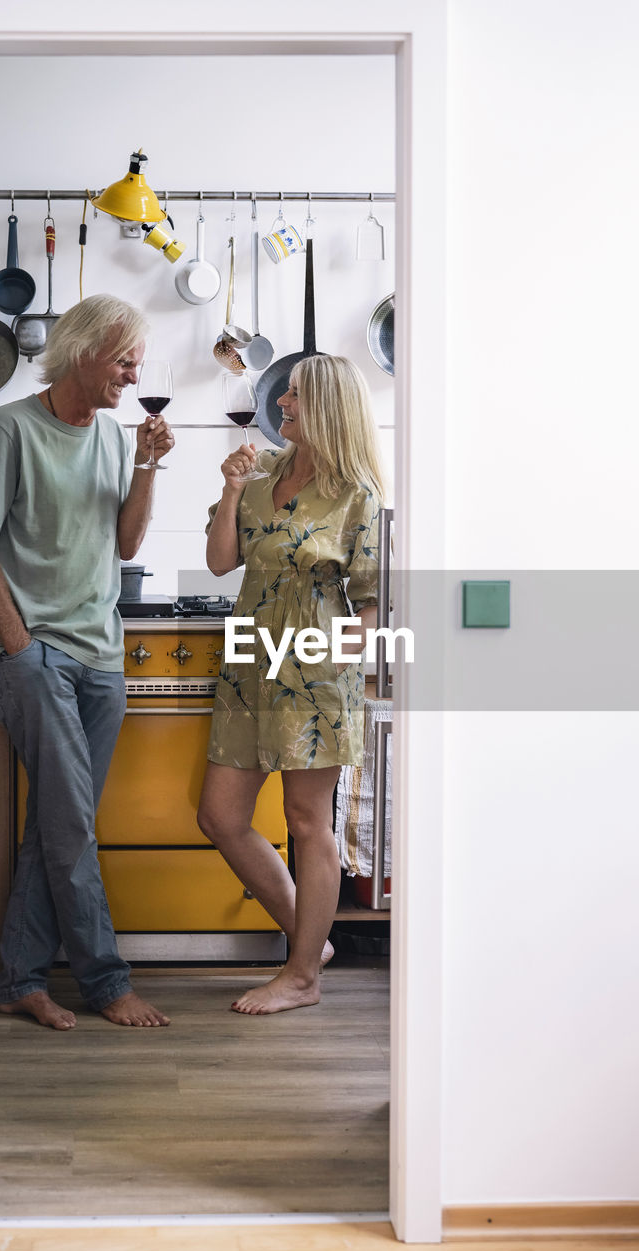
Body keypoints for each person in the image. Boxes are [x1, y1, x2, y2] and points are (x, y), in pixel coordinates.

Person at [0, 294, 174, 1031]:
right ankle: (105, 981)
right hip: (38, 655)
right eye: (124, 359)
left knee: (59, 823)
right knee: (70, 826)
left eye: (136, 361)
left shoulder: (119, 438)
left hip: (102, 654)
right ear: (83, 351)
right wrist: (19, 647)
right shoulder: (7, 430)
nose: (133, 372)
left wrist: (149, 465)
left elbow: (125, 545)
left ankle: (20, 979)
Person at [197, 354, 386, 1014]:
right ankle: (311, 945)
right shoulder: (264, 474)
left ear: (329, 406)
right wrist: (227, 490)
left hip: (315, 675)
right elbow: (221, 561)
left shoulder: (357, 496)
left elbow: (374, 602)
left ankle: (301, 974)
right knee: (220, 817)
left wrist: (339, 654)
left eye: (297, 396)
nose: (283, 403)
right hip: (250, 666)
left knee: (307, 823)